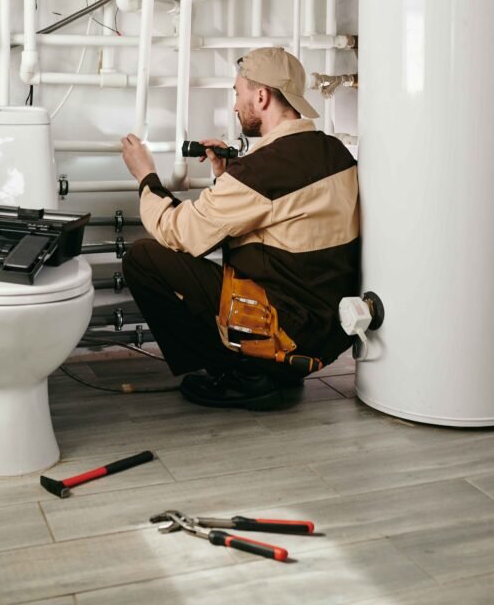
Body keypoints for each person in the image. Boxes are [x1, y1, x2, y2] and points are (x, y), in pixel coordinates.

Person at [120, 46, 360, 410]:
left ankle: (241, 376)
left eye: (237, 92)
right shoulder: (335, 152)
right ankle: (275, 372)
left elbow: (180, 233)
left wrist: (145, 176)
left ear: (261, 96)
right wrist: (227, 176)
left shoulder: (261, 172)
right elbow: (281, 217)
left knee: (144, 257)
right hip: (325, 336)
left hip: (283, 332)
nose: (234, 105)